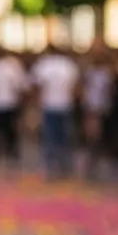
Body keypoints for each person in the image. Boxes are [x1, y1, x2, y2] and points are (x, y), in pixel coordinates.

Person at [31, 46, 80, 179]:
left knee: (49, 137)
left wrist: (36, 103)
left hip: (49, 105)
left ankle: (49, 167)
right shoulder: (69, 65)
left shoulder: (44, 64)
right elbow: (75, 87)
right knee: (65, 137)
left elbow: (37, 86)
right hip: (65, 105)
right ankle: (66, 167)